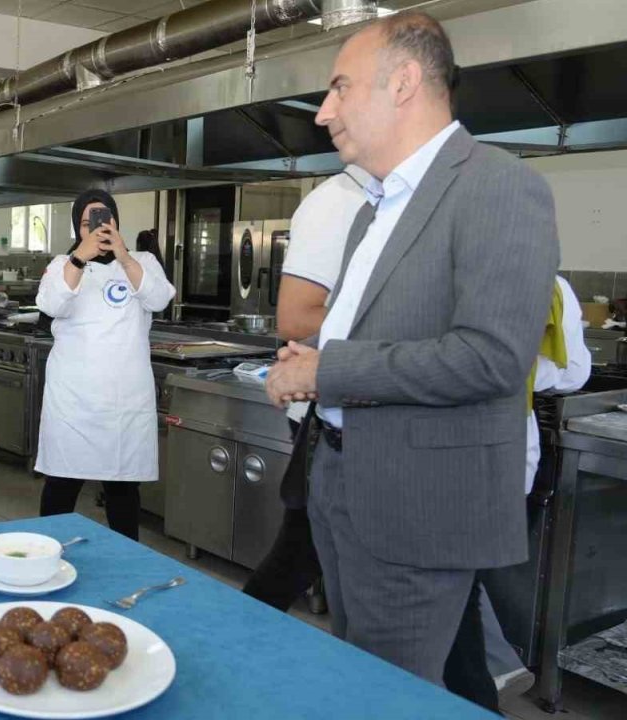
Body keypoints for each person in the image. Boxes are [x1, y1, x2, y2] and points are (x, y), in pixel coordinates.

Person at [264, 12, 559, 698]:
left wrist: (326, 369)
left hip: (415, 507)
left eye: (339, 88)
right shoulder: (376, 209)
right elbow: (380, 336)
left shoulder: (499, 186)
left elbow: (490, 357)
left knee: (387, 696)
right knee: (357, 672)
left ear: (402, 83)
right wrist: (310, 355)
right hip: (339, 483)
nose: (323, 113)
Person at [241, 168, 367, 613]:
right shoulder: (336, 202)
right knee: (299, 554)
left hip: (370, 416)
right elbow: (294, 319)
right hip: (334, 422)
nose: (330, 113)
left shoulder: (397, 199)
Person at [35, 190, 175, 540]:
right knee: (61, 486)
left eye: (103, 221)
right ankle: (44, 558)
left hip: (123, 404)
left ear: (116, 223)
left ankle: (125, 565)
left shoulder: (141, 261)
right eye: (87, 223)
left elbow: (159, 299)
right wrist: (80, 259)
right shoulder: (61, 265)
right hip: (73, 404)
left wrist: (124, 257)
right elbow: (51, 304)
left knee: (123, 491)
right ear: (77, 229)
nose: (96, 229)